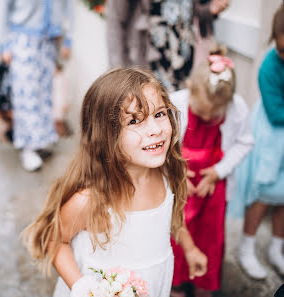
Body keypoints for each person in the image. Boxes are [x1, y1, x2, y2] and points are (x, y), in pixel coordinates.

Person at [23, 68, 208, 297]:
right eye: (134, 120)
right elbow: (54, 240)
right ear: (105, 135)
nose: (155, 130)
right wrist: (80, 286)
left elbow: (170, 217)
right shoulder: (91, 199)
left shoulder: (167, 174)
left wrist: (189, 249)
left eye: (159, 114)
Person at [169, 47, 254, 296]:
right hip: (181, 185)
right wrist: (177, 172)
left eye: (213, 114)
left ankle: (204, 287)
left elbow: (245, 142)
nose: (207, 117)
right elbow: (162, 145)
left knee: (209, 239)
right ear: (191, 90)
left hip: (213, 190)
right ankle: (175, 287)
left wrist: (219, 171)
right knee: (176, 238)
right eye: (202, 111)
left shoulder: (237, 108)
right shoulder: (176, 103)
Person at [229, 3, 284, 280]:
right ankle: (247, 248)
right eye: (283, 49)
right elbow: (276, 114)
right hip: (273, 137)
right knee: (263, 194)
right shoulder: (268, 68)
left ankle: (277, 248)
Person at [0, 0, 73, 172]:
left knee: (44, 94)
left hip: (49, 39)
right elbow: (3, 7)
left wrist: (68, 38)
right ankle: (27, 147)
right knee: (26, 95)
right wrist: (5, 44)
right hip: (22, 38)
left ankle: (41, 141)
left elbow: (67, 4)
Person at [105, 0, 229, 91]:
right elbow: (115, 20)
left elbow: (191, 10)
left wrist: (210, 9)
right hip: (150, 64)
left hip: (184, 66)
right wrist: (119, 74)